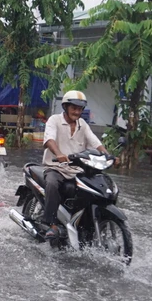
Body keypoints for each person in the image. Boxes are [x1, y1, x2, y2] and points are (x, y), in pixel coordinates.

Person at [41, 90, 109, 240]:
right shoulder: (54, 120)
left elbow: (95, 142)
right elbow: (49, 140)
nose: (77, 112)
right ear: (65, 107)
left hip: (76, 170)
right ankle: (50, 223)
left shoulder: (82, 124)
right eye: (74, 108)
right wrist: (58, 153)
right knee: (52, 184)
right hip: (55, 168)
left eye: (80, 109)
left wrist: (107, 155)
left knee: (92, 188)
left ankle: (83, 223)